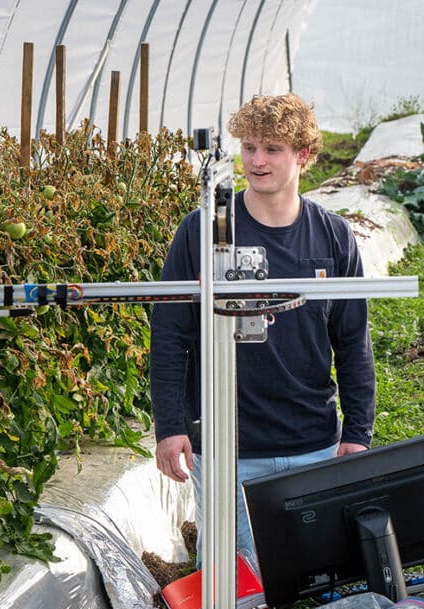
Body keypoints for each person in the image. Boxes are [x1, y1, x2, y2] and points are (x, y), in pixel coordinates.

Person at [149, 93, 375, 568]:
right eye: (248, 147)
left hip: (312, 443)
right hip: (230, 447)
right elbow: (170, 334)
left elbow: (353, 342)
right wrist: (169, 428)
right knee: (238, 592)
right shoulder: (206, 231)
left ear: (303, 156)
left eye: (272, 148)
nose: (256, 160)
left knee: (314, 579)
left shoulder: (333, 237)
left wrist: (357, 433)